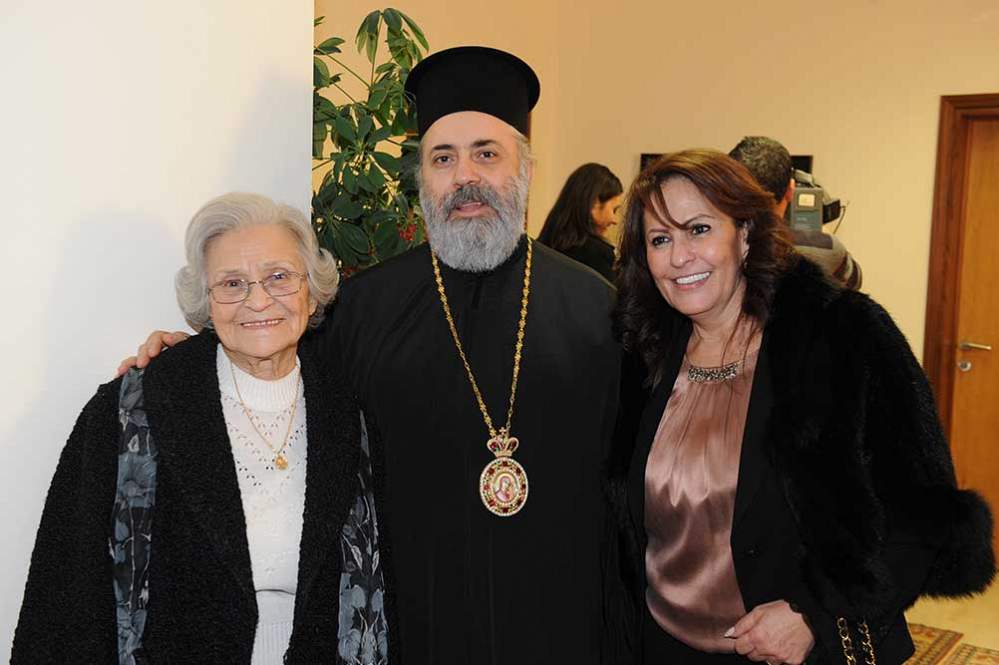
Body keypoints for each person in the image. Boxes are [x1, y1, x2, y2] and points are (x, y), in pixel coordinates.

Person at [118, 48, 623, 664]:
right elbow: (270, 358)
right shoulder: (362, 308)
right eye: (443, 157)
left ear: (526, 167)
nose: (464, 176)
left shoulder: (598, 309)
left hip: (560, 620)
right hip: (411, 625)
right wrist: (188, 362)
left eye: (487, 153)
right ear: (422, 178)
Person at [613, 149, 994, 664]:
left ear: (745, 233)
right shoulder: (640, 355)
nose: (680, 256)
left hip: (799, 652)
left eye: (699, 229)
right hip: (662, 648)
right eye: (660, 239)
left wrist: (815, 614)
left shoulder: (842, 335)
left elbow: (924, 518)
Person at [13, 193, 386, 664]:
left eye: (278, 276)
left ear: (311, 291)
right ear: (207, 303)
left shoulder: (348, 411)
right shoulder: (133, 411)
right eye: (232, 283)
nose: (258, 300)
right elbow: (64, 588)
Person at [729, 136, 862, 289]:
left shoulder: (714, 245)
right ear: (791, 190)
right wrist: (821, 233)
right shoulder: (827, 249)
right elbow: (855, 281)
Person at [538, 162, 624, 280]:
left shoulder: (541, 246)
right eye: (614, 210)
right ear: (594, 204)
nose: (615, 220)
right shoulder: (597, 255)